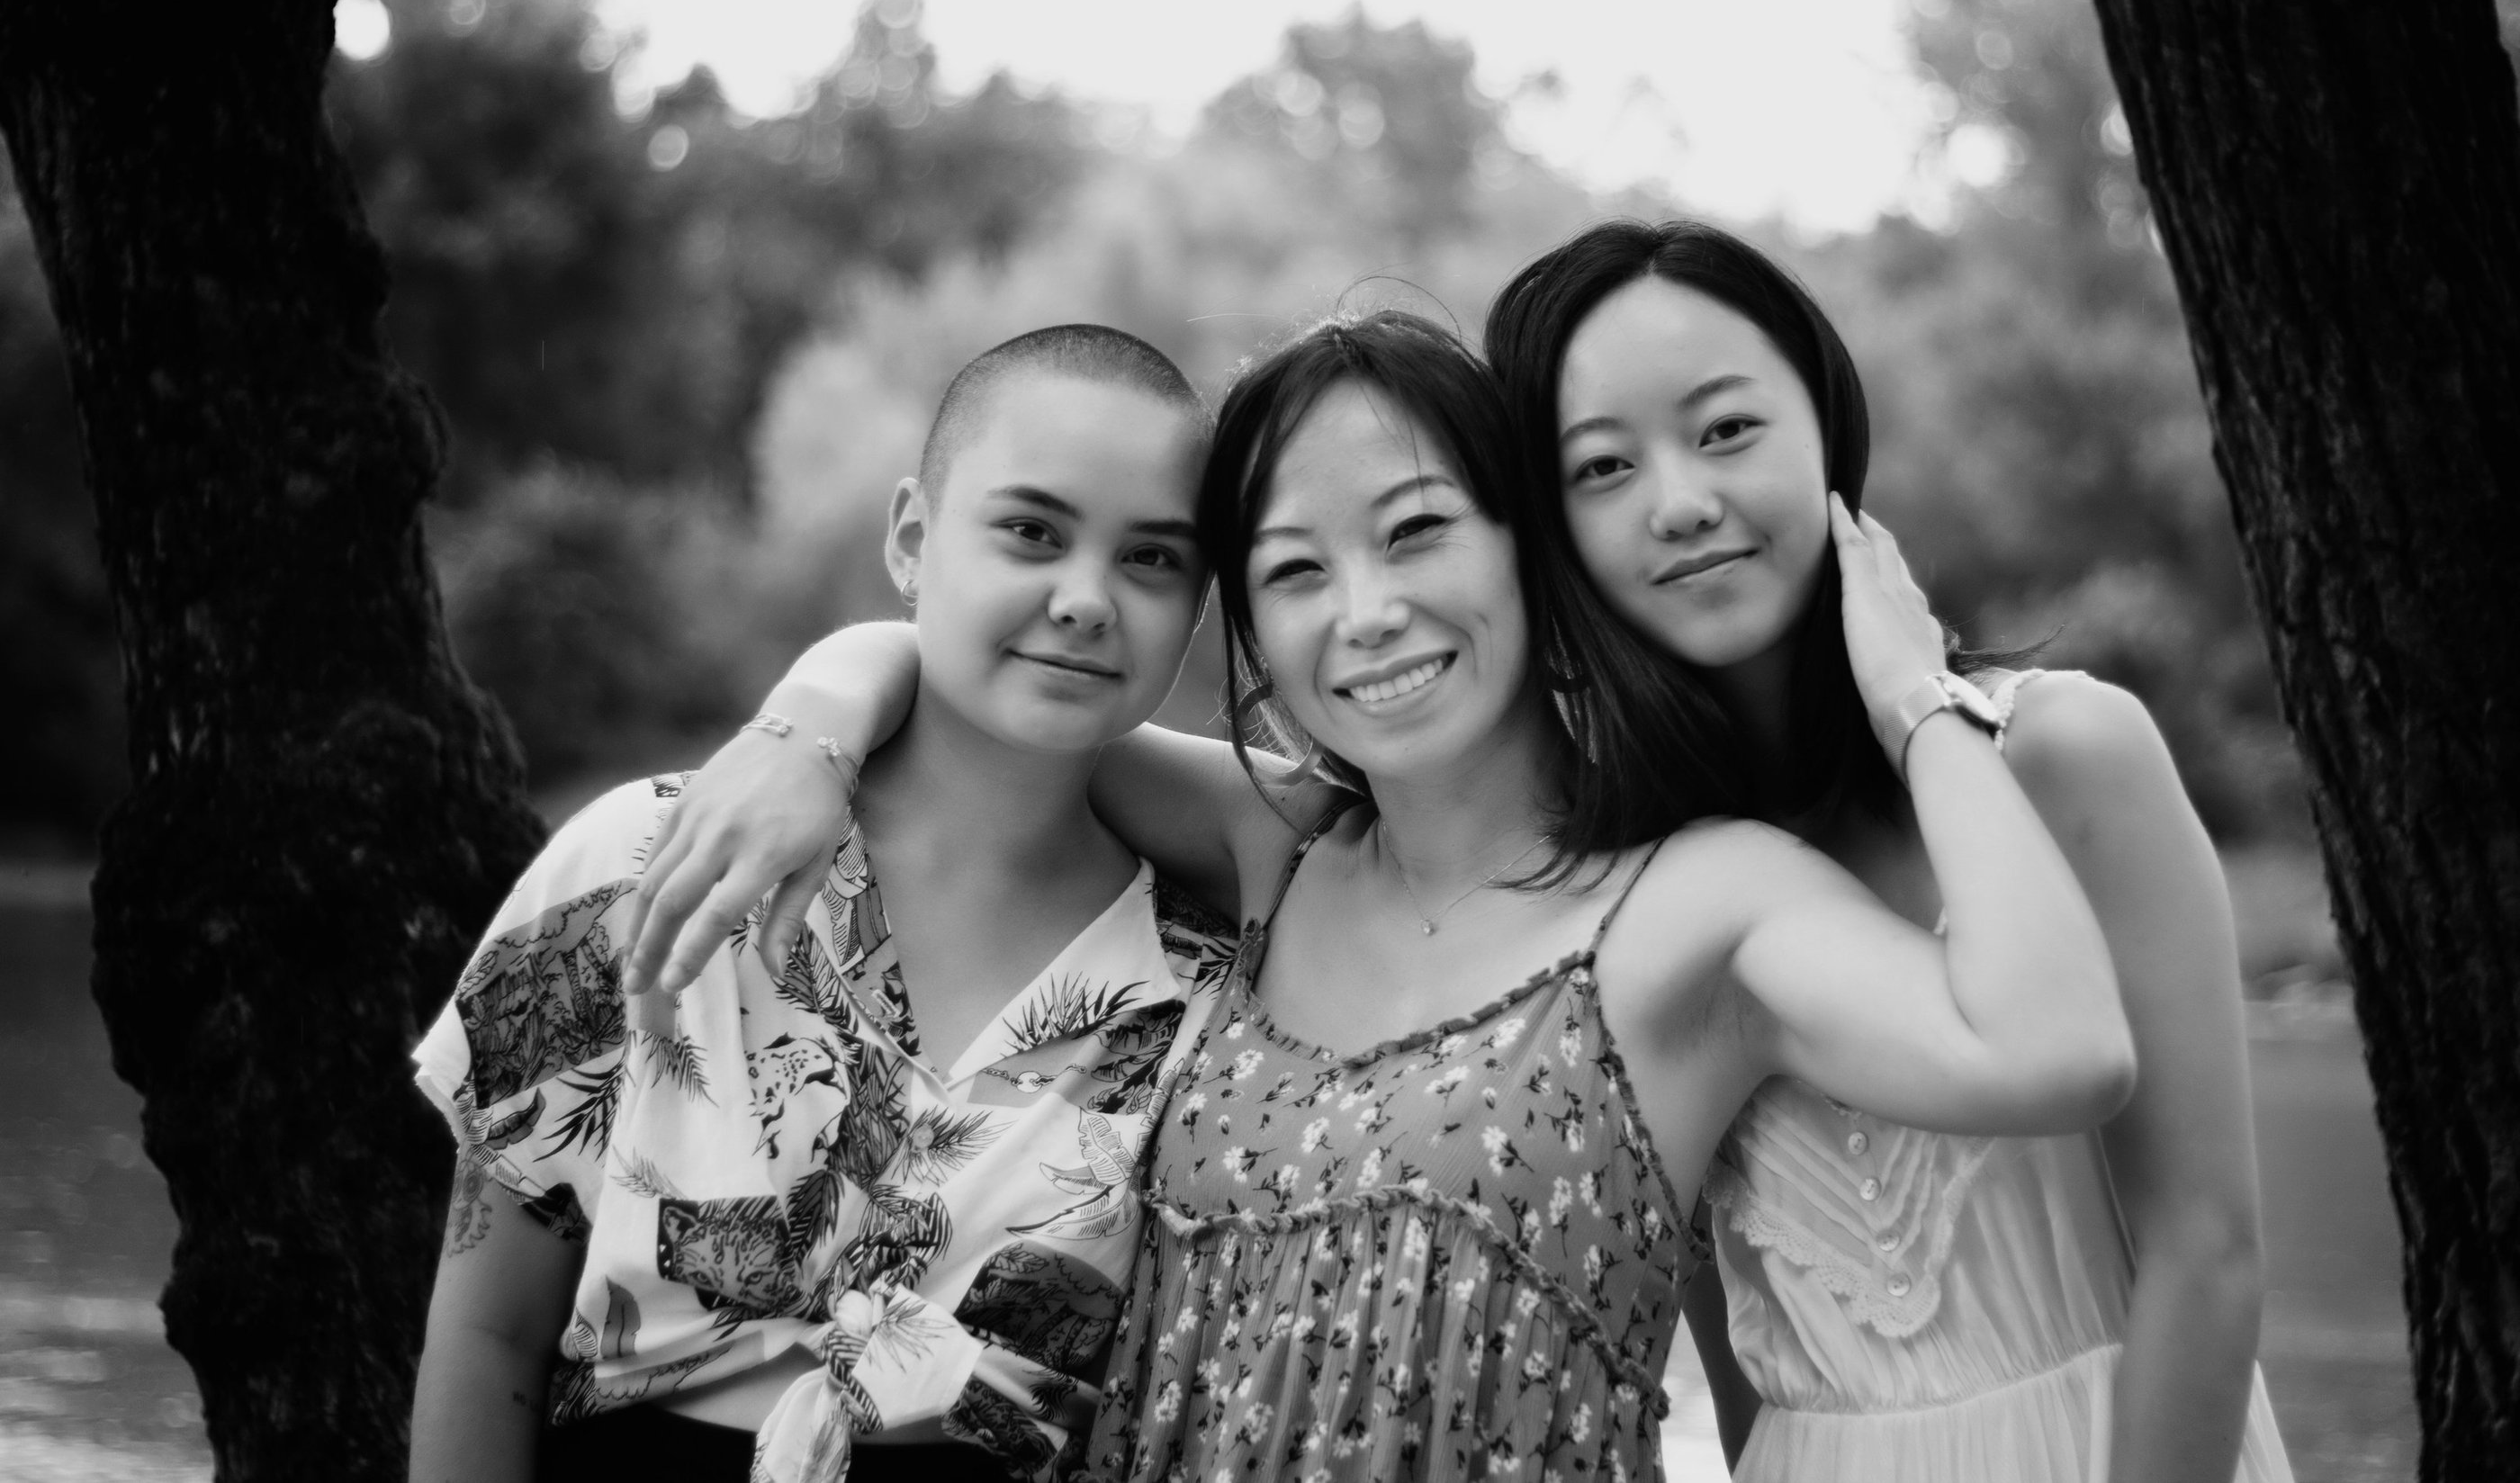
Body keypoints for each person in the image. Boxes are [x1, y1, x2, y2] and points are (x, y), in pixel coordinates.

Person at [620, 310, 2136, 1479]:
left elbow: (2055, 1046)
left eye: (1417, 533)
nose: (1370, 614)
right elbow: (985, 698)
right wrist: (807, 719)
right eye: (1294, 571)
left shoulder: (1690, 905)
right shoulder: (1277, 848)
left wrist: (1915, 699)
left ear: (1528, 550)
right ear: (1256, 639)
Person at [1481, 218, 2294, 1482]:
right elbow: (1731, 1337)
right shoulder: (1630, 873)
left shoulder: (2069, 754)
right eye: (1602, 467)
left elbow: (2208, 1245)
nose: (1682, 500)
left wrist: (1916, 706)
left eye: (1727, 429)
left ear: (1825, 429)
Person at [406, 325, 1241, 1483]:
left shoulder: (1214, 987)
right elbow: (486, 1331)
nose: (1086, 599)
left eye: (1153, 559)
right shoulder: (648, 858)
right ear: (911, 534)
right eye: (1031, 532)